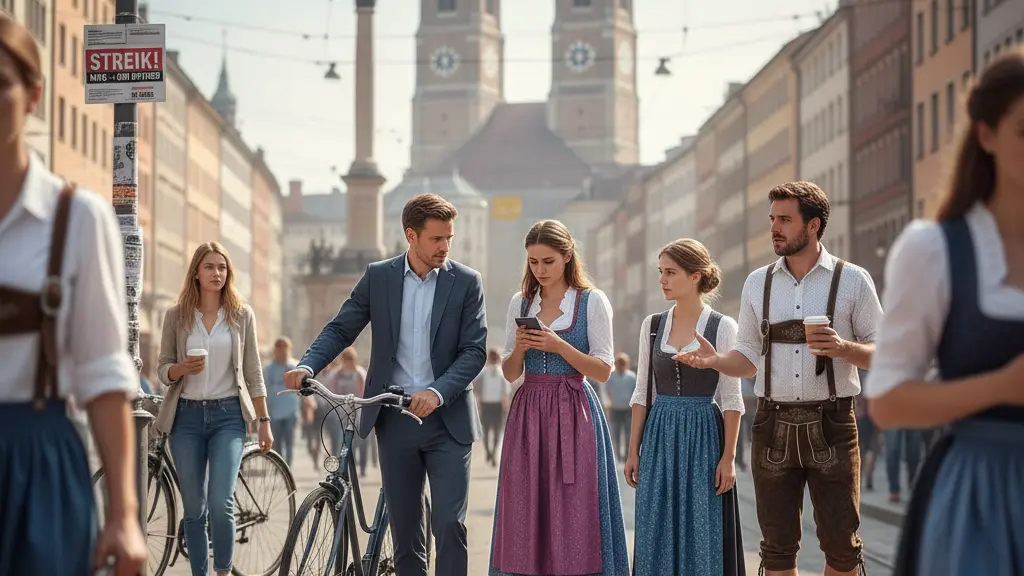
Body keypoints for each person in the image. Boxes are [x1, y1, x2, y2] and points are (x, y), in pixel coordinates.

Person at [866, 51, 1024, 576]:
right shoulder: (937, 249)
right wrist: (1002, 386)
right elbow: (886, 402)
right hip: (985, 495)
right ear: (987, 136)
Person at [0, 15, 147, 576]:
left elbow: (105, 375)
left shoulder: (77, 218)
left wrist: (125, 513)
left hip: (39, 461)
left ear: (34, 95)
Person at [678, 181, 882, 576]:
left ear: (813, 225)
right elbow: (748, 359)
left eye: (785, 220)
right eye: (772, 219)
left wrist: (843, 348)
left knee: (842, 548)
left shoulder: (852, 280)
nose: (775, 227)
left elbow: (886, 354)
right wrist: (716, 361)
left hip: (834, 423)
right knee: (776, 550)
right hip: (772, 425)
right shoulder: (759, 282)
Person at [284, 193, 487, 576]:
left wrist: (438, 391)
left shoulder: (466, 283)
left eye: (449, 238)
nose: (445, 247)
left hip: (448, 422)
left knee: (448, 523)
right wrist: (307, 364)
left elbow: (474, 352)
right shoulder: (380, 277)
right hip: (393, 420)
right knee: (406, 536)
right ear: (411, 235)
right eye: (436, 238)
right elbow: (342, 327)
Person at [490, 219, 629, 576]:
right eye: (533, 262)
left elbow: (602, 370)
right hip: (528, 413)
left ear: (567, 256)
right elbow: (509, 373)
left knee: (575, 504)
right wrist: (519, 350)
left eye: (548, 261)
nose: (540, 270)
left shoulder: (592, 301)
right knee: (525, 505)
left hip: (574, 409)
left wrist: (558, 345)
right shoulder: (520, 303)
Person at [624, 239, 746, 575]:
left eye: (670, 273)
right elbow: (641, 394)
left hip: (704, 436)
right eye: (660, 272)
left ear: (695, 277)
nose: (662, 280)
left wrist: (729, 458)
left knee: (701, 525)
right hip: (660, 435)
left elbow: (732, 400)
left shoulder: (722, 326)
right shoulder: (652, 326)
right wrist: (633, 451)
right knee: (655, 525)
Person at [154, 242, 273, 576]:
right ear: (196, 271)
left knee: (220, 503)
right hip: (186, 419)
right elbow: (162, 369)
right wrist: (180, 370)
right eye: (209, 267)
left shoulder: (240, 315)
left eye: (222, 267)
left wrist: (264, 421)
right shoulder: (175, 316)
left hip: (228, 417)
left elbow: (253, 372)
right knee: (194, 508)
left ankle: (223, 572)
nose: (216, 273)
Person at [264, 337, 299, 467]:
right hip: (274, 412)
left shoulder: (295, 367)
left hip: (291, 412)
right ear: (275, 351)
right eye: (279, 349)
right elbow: (263, 390)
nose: (282, 352)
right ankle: (280, 467)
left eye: (285, 349)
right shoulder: (268, 369)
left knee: (289, 443)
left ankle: (288, 468)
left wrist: (308, 407)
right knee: (277, 442)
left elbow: (303, 390)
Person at [476, 348, 511, 466]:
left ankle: (490, 452)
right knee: (495, 431)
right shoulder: (501, 373)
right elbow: (505, 393)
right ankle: (492, 452)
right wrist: (506, 408)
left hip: (489, 404)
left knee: (487, 431)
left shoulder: (483, 373)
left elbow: (477, 391)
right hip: (495, 405)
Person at [605, 353, 637, 462]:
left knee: (628, 435)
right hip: (615, 409)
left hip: (628, 410)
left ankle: (626, 456)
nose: (620, 365)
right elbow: (608, 392)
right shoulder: (611, 376)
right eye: (619, 363)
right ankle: (617, 457)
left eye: (622, 363)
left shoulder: (632, 377)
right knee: (616, 435)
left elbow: (635, 393)